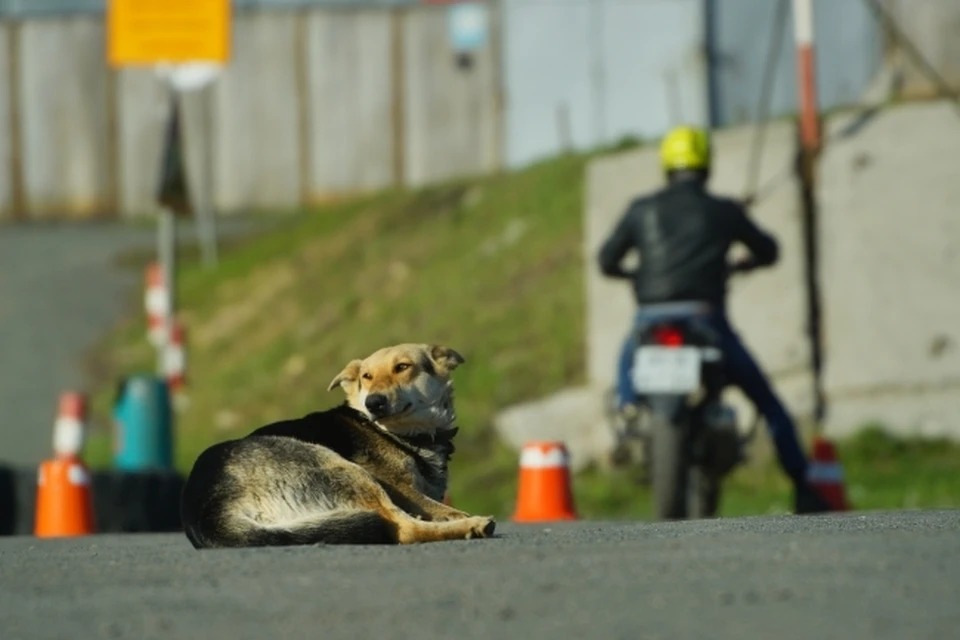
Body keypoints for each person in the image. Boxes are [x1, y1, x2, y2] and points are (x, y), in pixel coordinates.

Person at [596, 124, 833, 514]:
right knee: (768, 403)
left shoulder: (641, 209)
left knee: (627, 360)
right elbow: (769, 250)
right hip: (706, 322)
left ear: (666, 165)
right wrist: (742, 258)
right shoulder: (724, 210)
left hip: (650, 321)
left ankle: (627, 410)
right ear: (706, 165)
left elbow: (606, 260)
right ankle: (803, 486)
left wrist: (634, 275)